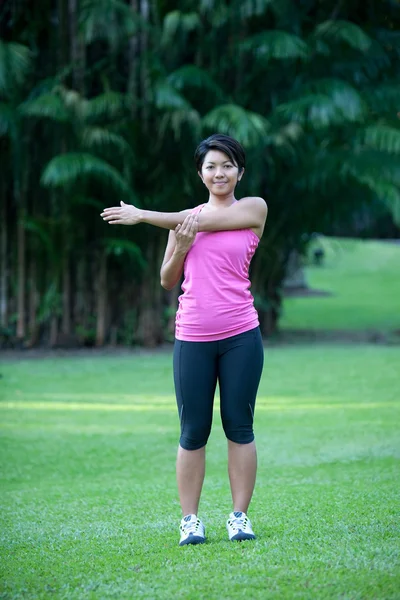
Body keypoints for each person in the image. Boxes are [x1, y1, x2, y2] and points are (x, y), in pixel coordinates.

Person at [101, 133, 268, 546]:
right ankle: (190, 521)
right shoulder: (181, 222)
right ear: (200, 173)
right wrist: (181, 245)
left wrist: (142, 214)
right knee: (193, 430)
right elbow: (166, 278)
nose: (219, 173)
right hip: (193, 336)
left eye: (227, 165)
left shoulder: (253, 209)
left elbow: (208, 221)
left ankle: (239, 517)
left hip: (240, 335)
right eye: (211, 166)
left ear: (239, 172)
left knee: (239, 426)